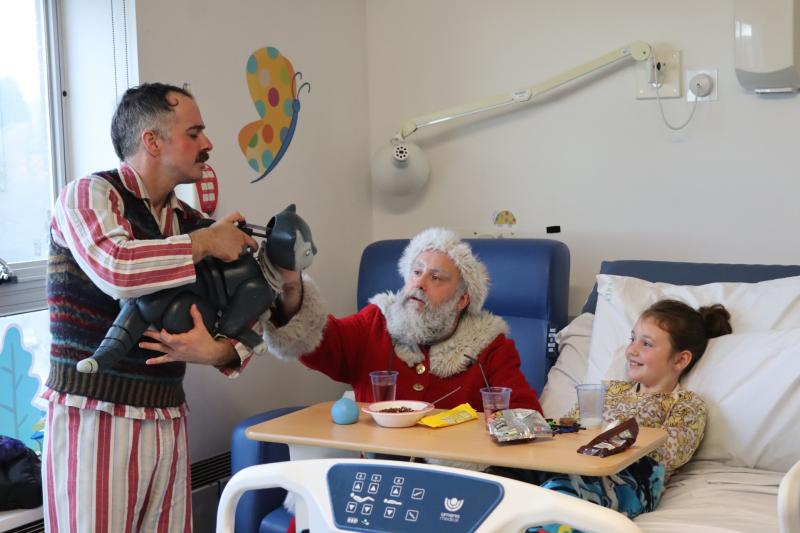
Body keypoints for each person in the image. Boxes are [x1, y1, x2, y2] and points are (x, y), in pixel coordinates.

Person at [43, 82, 259, 532]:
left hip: (166, 414)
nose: (208, 144)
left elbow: (252, 311)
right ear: (152, 141)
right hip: (94, 415)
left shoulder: (190, 223)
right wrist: (204, 243)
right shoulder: (87, 196)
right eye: (195, 132)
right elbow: (117, 270)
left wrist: (221, 352)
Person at [489, 299, 733, 531]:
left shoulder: (687, 405)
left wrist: (609, 434)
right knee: (500, 478)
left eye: (646, 344)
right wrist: (514, 423)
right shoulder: (609, 390)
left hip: (632, 479)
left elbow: (668, 454)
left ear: (681, 359)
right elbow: (569, 426)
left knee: (559, 495)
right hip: (578, 464)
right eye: (632, 339)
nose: (631, 350)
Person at [261, 227, 542, 412]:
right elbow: (318, 340)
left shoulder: (490, 347)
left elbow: (523, 416)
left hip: (455, 483)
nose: (419, 284)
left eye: (435, 277)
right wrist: (291, 288)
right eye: (416, 272)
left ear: (462, 299)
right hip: (377, 478)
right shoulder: (374, 323)